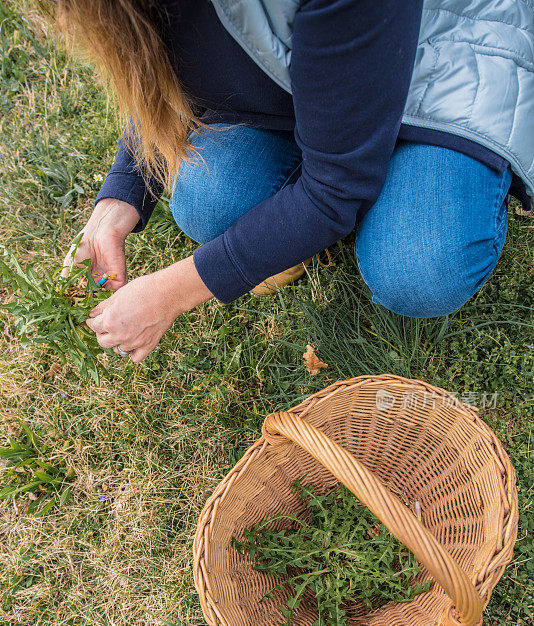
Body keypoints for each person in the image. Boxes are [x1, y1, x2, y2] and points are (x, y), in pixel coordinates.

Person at [56, 0, 534, 363]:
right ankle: (332, 196)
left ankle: (416, 181)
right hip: (302, 84)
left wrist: (168, 294)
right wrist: (122, 195)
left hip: (442, 65)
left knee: (418, 267)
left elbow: (335, 191)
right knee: (207, 200)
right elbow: (160, 66)